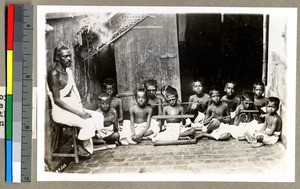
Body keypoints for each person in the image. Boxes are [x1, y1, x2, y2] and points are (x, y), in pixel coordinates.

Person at [47, 45, 103, 158]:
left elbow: (74, 92)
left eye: (70, 56)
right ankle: (78, 143)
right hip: (60, 111)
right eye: (65, 56)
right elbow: (57, 100)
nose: (69, 59)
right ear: (57, 58)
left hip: (72, 107)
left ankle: (82, 141)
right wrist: (79, 113)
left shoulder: (68, 72)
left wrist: (80, 108)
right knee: (87, 122)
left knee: (97, 116)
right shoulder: (54, 74)